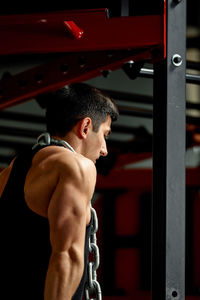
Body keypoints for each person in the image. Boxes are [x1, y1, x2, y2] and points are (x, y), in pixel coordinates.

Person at [0, 82, 119, 300]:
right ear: (85, 127)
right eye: (105, 134)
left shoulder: (12, 170)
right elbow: (67, 256)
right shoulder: (76, 166)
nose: (104, 150)